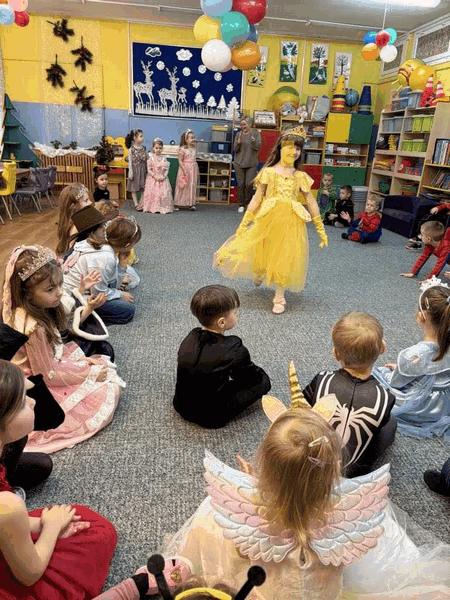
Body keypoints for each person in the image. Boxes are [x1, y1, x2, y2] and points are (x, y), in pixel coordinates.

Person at [164, 394, 450, 599]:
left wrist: (251, 487)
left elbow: (239, 550)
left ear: (266, 466)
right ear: (334, 469)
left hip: (263, 592)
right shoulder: (347, 513)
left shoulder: (249, 510)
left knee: (214, 519)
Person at [0, 360, 118, 600]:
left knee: (78, 520)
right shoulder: (8, 506)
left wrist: (39, 524)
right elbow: (29, 575)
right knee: (97, 531)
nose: (32, 401)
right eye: (22, 403)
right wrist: (51, 528)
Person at [2, 244, 124, 454]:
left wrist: (81, 365)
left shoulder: (37, 310)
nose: (59, 292)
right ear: (27, 293)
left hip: (48, 362)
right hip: (34, 382)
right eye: (50, 289)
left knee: (100, 357)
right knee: (108, 389)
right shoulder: (33, 327)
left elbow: (53, 349)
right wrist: (88, 372)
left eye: (60, 284)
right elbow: (48, 375)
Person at [214, 127, 328, 315]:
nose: (294, 152)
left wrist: (320, 228)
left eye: (298, 148)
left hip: (291, 221)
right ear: (281, 148)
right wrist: (244, 223)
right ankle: (260, 271)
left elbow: (311, 201)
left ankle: (279, 297)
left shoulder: (300, 176)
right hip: (268, 218)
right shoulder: (268, 172)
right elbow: (256, 199)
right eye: (290, 147)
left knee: (284, 255)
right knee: (263, 247)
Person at [303, 312, 396, 477]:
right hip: (354, 472)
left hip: (312, 461)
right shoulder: (385, 397)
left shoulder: (321, 380)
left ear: (335, 353)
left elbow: (301, 406)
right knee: (391, 424)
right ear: (382, 348)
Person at [173, 285, 271, 429]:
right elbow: (249, 377)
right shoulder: (233, 347)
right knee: (263, 381)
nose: (238, 315)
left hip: (181, 405)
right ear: (222, 322)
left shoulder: (191, 336)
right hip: (212, 417)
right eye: (236, 313)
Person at [373, 278, 450, 439]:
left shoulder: (413, 355)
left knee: (375, 373)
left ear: (422, 316)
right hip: (443, 403)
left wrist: (398, 369)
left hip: (420, 406)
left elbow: (396, 383)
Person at [63, 207, 141, 325]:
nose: (104, 230)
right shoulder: (106, 258)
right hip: (73, 299)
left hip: (80, 291)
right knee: (129, 311)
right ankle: (83, 319)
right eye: (101, 227)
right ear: (127, 245)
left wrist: (122, 266)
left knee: (122, 287)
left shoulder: (103, 245)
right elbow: (98, 293)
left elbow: (110, 283)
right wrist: (120, 294)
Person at [56, 183, 92, 258]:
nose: (90, 202)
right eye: (86, 201)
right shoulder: (76, 227)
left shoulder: (76, 222)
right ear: (74, 207)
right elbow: (72, 253)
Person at [233, 116, 261, 214]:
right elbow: (235, 150)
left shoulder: (256, 133)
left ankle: (248, 203)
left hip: (251, 163)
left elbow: (257, 147)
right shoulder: (239, 134)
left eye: (244, 124)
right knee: (240, 184)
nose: (243, 126)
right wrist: (238, 143)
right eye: (241, 125)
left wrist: (253, 140)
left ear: (250, 124)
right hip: (239, 163)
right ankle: (241, 205)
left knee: (249, 184)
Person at [141, 137, 174, 214]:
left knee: (163, 194)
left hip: (162, 178)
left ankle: (163, 207)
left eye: (160, 148)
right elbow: (149, 169)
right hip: (153, 178)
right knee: (152, 193)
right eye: (156, 148)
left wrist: (164, 176)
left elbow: (166, 169)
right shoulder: (151, 158)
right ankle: (151, 207)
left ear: (162, 149)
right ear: (153, 148)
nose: (158, 150)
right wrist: (154, 176)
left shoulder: (164, 159)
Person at [174, 129, 198, 211]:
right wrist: (184, 169)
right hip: (185, 168)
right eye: (191, 138)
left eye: (193, 137)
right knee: (183, 185)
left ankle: (191, 203)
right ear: (186, 139)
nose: (193, 139)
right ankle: (178, 203)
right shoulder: (182, 149)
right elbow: (180, 160)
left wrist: (194, 142)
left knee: (192, 185)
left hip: (193, 168)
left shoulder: (194, 148)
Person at [125, 128, 147, 211]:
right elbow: (130, 161)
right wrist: (130, 172)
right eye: (141, 136)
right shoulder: (131, 149)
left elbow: (146, 159)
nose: (142, 138)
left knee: (143, 187)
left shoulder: (144, 148)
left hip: (143, 170)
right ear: (135, 138)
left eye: (142, 136)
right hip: (135, 170)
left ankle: (141, 203)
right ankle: (136, 204)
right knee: (133, 187)